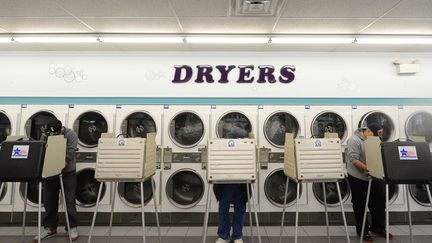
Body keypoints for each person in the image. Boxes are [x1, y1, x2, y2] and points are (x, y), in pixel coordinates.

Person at [34, 119, 79, 242]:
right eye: (48, 134)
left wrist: (59, 162)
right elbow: (41, 151)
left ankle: (72, 227)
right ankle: (50, 227)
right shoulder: (46, 134)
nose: (50, 136)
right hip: (50, 171)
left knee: (70, 200)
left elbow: (69, 154)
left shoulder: (70, 134)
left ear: (61, 130)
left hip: (68, 172)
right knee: (49, 200)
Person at [346, 125, 393, 242]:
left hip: (375, 176)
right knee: (360, 204)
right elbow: (353, 159)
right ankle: (363, 230)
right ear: (369, 131)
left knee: (379, 202)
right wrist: (370, 169)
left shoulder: (374, 139)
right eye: (378, 133)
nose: (379, 136)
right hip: (358, 177)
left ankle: (378, 227)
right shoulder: (354, 140)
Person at [214, 124, 250, 243]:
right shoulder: (224, 145)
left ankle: (232, 235)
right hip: (226, 181)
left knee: (230, 208)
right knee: (233, 209)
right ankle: (230, 236)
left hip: (240, 182)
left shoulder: (246, 145)